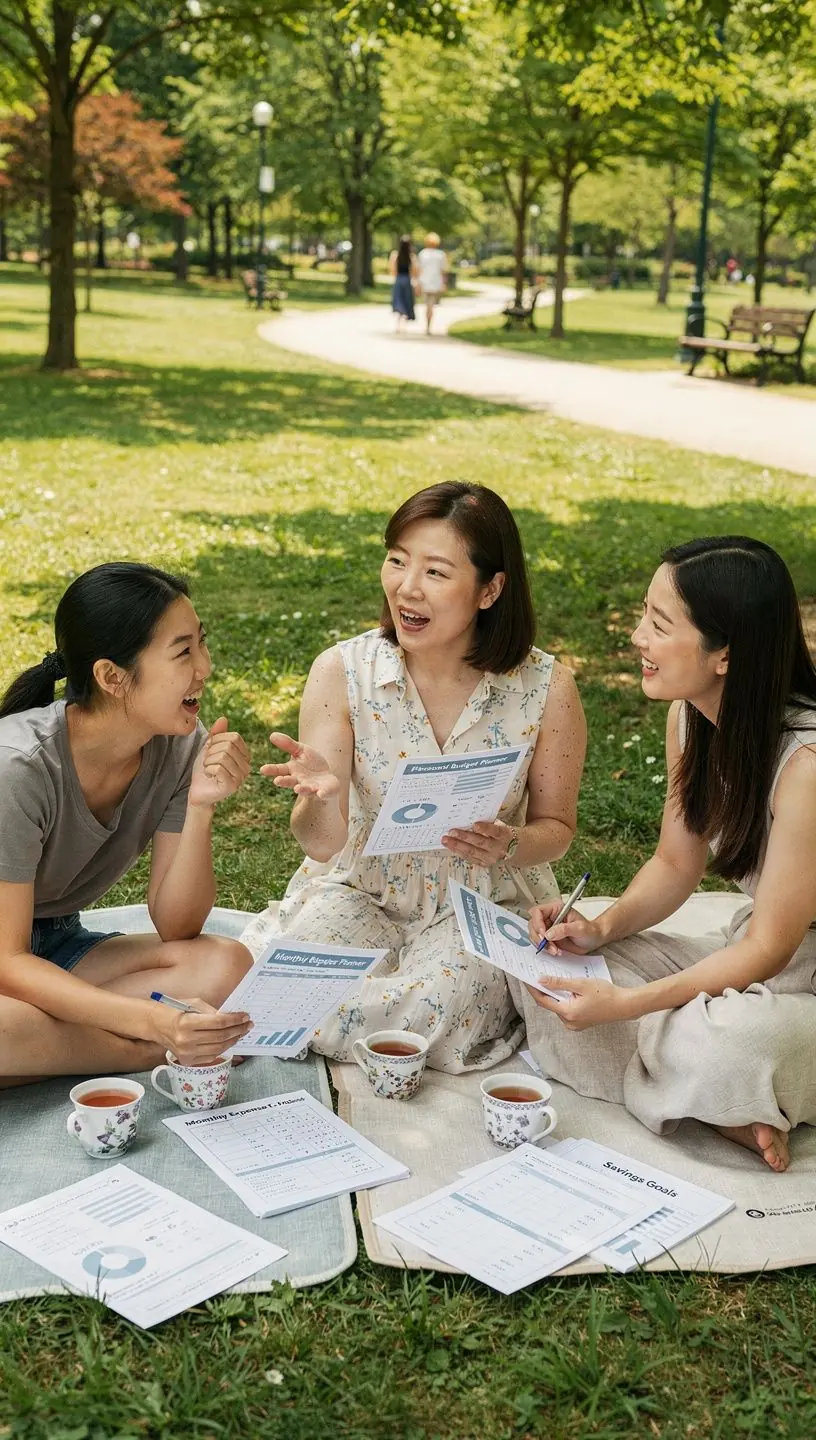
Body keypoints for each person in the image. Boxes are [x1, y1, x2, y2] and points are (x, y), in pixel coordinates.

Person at [242, 482, 586, 1072]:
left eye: (435, 571)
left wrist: (511, 843)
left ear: (491, 589)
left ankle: (315, 1021)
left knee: (446, 999)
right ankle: (353, 1026)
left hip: (478, 897)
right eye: (397, 560)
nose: (406, 586)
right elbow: (323, 844)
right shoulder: (341, 671)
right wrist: (320, 798)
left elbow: (557, 828)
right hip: (360, 886)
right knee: (296, 973)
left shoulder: (548, 688)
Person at [517, 536, 816, 1173]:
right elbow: (677, 864)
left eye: (659, 624)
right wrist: (600, 929)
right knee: (536, 965)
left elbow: (771, 949)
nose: (637, 638)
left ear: (725, 654)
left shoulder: (807, 768)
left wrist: (626, 1006)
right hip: (759, 966)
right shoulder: (691, 717)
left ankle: (710, 1082)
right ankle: (714, 1098)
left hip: (790, 972)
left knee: (733, 1041)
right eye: (643, 616)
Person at [0, 562, 254, 1088]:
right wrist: (152, 1023)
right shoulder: (17, 768)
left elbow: (177, 926)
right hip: (10, 958)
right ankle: (141, 1054)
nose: (205, 666)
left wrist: (201, 806)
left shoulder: (181, 745)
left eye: (200, 644)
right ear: (112, 677)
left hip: (56, 947)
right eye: (183, 652)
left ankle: (43, 1049)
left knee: (226, 966)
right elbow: (7, 961)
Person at [416, 232, 448, 334]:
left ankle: (427, 324)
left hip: (424, 282)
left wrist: (417, 282)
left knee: (427, 304)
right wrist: (443, 283)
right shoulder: (441, 255)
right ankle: (429, 325)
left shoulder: (422, 253)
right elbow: (443, 271)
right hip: (435, 282)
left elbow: (418, 269)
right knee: (431, 304)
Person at [388, 235, 417, 332]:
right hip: (407, 280)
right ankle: (404, 324)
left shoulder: (395, 255)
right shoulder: (411, 256)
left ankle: (398, 324)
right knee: (407, 300)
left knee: (399, 300)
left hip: (399, 279)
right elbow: (414, 271)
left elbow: (393, 270)